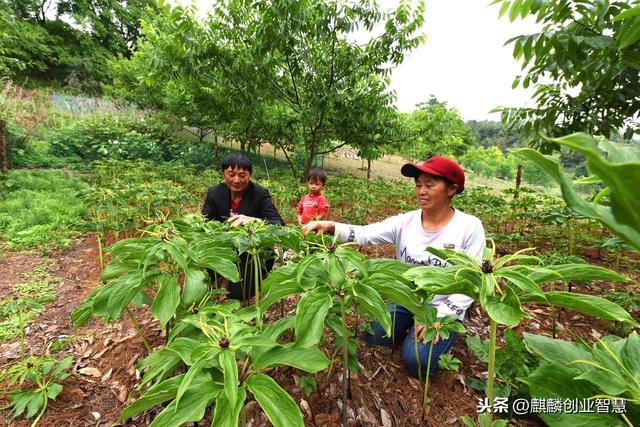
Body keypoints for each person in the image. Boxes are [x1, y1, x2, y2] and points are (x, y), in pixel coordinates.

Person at [302, 156, 486, 379]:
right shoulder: (406, 222)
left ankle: (437, 337)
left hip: (441, 306)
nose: (421, 191)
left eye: (430, 185)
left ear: (452, 189)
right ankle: (407, 327)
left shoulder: (469, 227)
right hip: (406, 299)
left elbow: (471, 279)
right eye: (418, 185)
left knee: (417, 361)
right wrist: (331, 227)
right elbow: (367, 233)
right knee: (374, 337)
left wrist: (443, 317)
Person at [201, 153, 285, 300]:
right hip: (223, 249)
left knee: (238, 295)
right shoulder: (214, 193)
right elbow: (205, 221)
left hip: (251, 253)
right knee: (214, 286)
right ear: (224, 173)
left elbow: (279, 224)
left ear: (249, 175)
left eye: (242, 175)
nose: (236, 180)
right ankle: (221, 279)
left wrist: (253, 220)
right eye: (231, 174)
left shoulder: (259, 194)